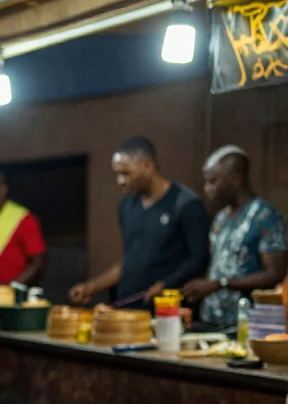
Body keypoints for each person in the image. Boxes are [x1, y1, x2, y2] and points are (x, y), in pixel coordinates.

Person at [70, 137, 210, 307]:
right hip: (129, 308)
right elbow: (130, 261)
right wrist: (92, 286)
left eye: (126, 173)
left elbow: (199, 258)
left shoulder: (185, 204)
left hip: (166, 311)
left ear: (147, 166)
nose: (120, 181)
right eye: (117, 174)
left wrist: (166, 284)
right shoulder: (127, 206)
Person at [183, 146, 286, 326]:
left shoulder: (265, 216)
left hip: (247, 324)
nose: (207, 188)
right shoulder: (221, 218)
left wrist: (220, 283)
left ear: (236, 179)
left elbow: (275, 274)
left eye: (213, 181)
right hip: (212, 320)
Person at [0, 168, 46, 286]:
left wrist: (15, 286)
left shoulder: (24, 219)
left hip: (10, 293)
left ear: (2, 190)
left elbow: (38, 262)